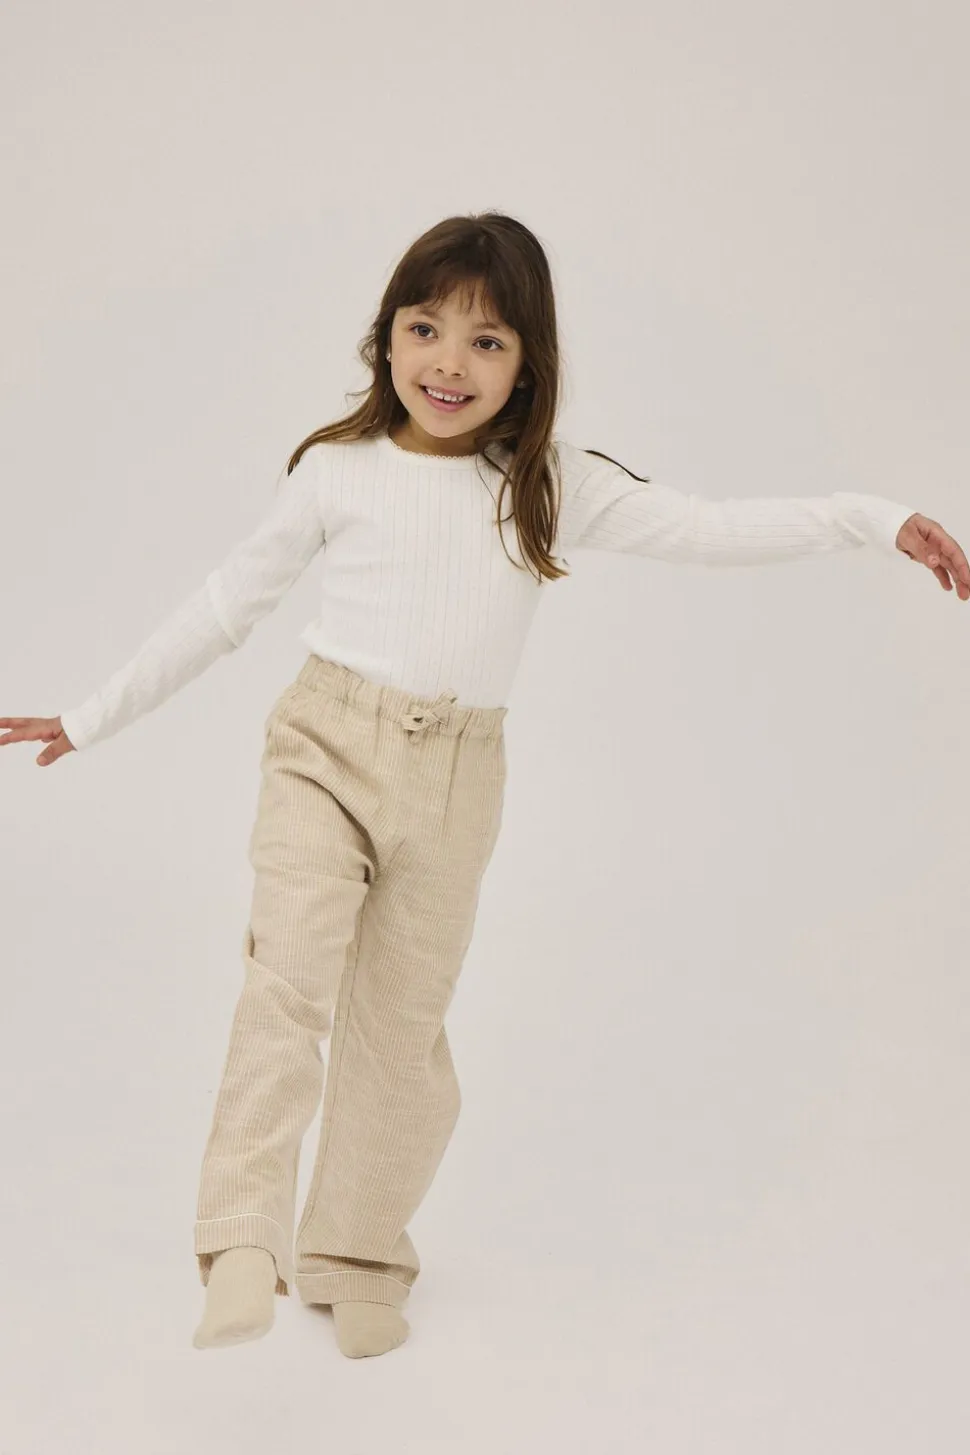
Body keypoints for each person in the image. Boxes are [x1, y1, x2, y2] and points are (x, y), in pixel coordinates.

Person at [2, 212, 968, 1362]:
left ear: (528, 365)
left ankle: (356, 1255)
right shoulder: (336, 471)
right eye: (425, 329)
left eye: (487, 341)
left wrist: (874, 521)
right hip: (325, 747)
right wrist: (92, 715)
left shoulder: (546, 482)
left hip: (459, 780)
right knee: (286, 985)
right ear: (385, 338)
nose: (448, 364)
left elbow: (709, 529)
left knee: (400, 1035)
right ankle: (242, 1241)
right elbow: (223, 606)